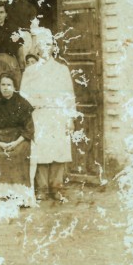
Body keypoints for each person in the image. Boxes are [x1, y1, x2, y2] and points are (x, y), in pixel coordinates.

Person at [20, 28, 77, 202]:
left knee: (59, 150)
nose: (45, 48)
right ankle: (42, 188)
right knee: (41, 151)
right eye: (41, 45)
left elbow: (69, 95)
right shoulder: (30, 71)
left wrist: (70, 118)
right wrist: (34, 102)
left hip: (58, 114)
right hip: (39, 114)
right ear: (37, 49)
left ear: (53, 47)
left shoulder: (62, 70)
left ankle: (57, 187)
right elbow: (23, 95)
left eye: (48, 44)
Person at [0, 72, 35, 205]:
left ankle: (18, 196)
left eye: (9, 85)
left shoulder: (23, 104)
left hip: (19, 139)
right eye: (3, 85)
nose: (5, 88)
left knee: (17, 154)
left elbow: (28, 129)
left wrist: (15, 142)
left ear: (14, 87)